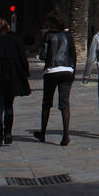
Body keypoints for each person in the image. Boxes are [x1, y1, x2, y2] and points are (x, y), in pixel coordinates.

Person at [34, 12, 77, 146]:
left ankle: (42, 133)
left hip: (51, 71)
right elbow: (73, 54)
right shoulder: (68, 36)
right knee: (64, 104)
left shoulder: (48, 36)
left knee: (47, 102)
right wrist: (73, 71)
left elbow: (43, 55)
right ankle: (65, 135)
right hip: (67, 70)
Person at [0, 17, 30, 146]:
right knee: (9, 105)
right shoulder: (15, 39)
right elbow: (22, 56)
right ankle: (8, 133)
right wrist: (25, 73)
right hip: (12, 76)